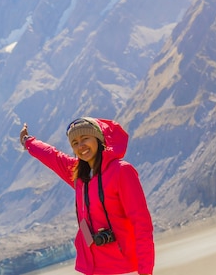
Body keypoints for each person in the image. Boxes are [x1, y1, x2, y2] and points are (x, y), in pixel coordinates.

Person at [20, 117, 154, 275]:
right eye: (75, 143)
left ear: (98, 138)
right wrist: (28, 141)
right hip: (93, 268)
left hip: (124, 268)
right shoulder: (79, 175)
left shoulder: (121, 171)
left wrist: (145, 272)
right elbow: (52, 156)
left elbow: (142, 224)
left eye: (85, 138)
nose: (81, 146)